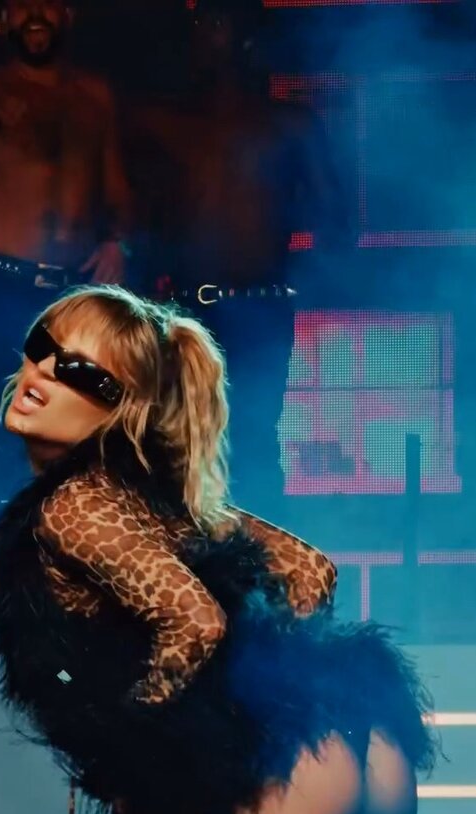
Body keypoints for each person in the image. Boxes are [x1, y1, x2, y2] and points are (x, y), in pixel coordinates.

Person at [0, 285, 438, 814]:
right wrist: (278, 692)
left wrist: (143, 754)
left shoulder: (74, 504)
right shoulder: (167, 505)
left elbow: (194, 624)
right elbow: (312, 573)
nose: (43, 373)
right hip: (371, 754)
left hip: (286, 772)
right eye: (42, 346)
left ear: (125, 410)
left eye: (82, 373)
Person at [0, 0, 132, 647]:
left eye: (47, 3)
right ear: (4, 18)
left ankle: (62, 603)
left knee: (74, 448)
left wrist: (117, 241)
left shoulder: (93, 95)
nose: (35, 16)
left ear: (68, 14)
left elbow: (114, 187)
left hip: (69, 293)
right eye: (22, 5)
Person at [126, 0, 347, 517]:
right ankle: (187, 563)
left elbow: (335, 221)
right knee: (176, 445)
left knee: (254, 444)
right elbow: (132, 216)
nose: (208, 33)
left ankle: (261, 562)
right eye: (200, 22)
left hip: (258, 305)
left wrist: (303, 276)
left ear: (246, 33)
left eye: (219, 21)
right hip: (183, 312)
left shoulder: (287, 124)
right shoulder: (164, 122)